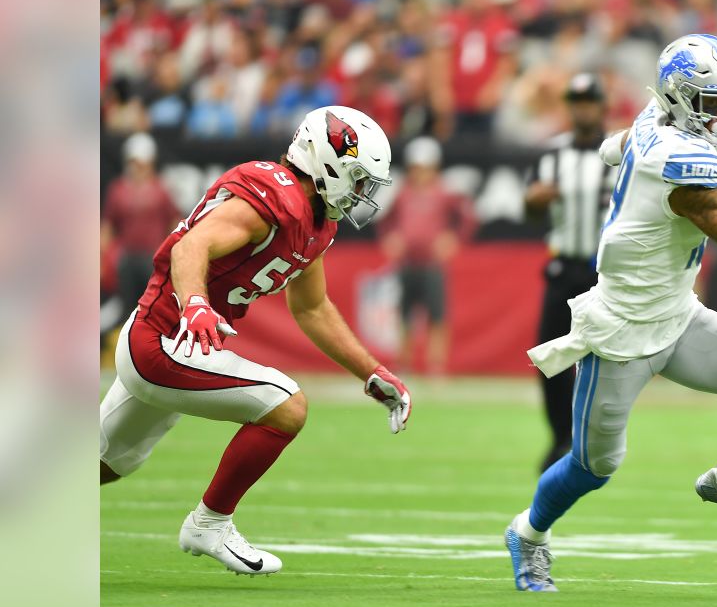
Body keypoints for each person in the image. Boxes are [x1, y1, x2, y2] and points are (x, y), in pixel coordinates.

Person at [505, 34, 717, 592]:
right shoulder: (684, 161)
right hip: (622, 330)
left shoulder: (654, 120)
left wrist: (637, 155)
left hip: (678, 314)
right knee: (592, 467)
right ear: (682, 99)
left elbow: (607, 150)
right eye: (716, 103)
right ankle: (528, 535)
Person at [100, 106, 412, 577]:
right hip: (164, 341)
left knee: (107, 462)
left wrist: (371, 370)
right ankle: (210, 523)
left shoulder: (315, 221)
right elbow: (191, 247)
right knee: (287, 406)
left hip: (177, 343)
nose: (364, 194)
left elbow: (311, 307)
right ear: (328, 163)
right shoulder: (274, 197)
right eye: (359, 179)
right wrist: (197, 306)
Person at [524, 73, 617, 471]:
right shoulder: (551, 154)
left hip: (606, 271)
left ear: (600, 106)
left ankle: (594, 441)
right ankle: (561, 437)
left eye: (588, 101)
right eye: (575, 102)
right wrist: (534, 200)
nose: (582, 109)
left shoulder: (620, 153)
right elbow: (527, 210)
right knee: (550, 359)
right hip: (563, 267)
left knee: (607, 361)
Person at [378, 136, 475, 376]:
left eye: (425, 168)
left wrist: (453, 239)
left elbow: (467, 219)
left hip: (432, 264)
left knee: (437, 316)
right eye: (417, 168)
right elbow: (385, 220)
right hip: (407, 263)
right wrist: (391, 238)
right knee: (405, 316)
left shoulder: (444, 193)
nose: (421, 173)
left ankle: (436, 366)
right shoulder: (403, 193)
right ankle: (404, 363)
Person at [102, 133, 179, 324]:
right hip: (127, 258)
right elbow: (108, 226)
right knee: (126, 306)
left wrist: (177, 253)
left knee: (153, 305)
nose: (137, 166)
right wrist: (99, 257)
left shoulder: (161, 189)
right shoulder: (118, 189)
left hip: (153, 259)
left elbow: (174, 221)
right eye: (134, 161)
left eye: (141, 162)